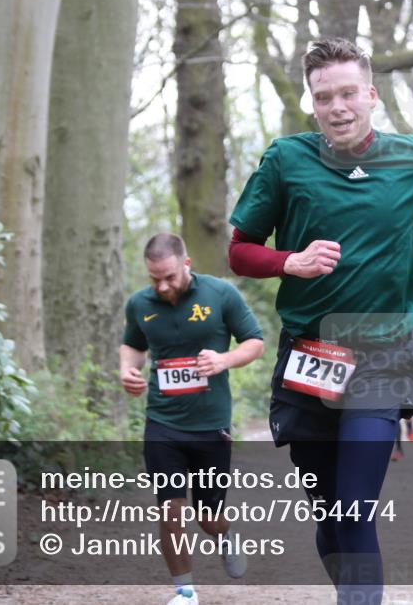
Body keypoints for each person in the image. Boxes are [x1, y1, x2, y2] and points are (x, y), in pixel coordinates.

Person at [228, 38, 413, 605]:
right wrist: (291, 261)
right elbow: (240, 250)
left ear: (371, 96)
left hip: (384, 351)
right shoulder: (286, 160)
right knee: (331, 518)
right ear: (312, 103)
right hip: (309, 355)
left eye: (347, 93)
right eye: (323, 96)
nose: (337, 107)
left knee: (355, 509)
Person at [120, 233, 265, 605]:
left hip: (211, 424)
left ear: (187, 264)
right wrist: (128, 370)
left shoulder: (221, 295)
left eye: (169, 276)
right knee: (170, 508)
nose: (162, 286)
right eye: (155, 279)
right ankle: (184, 591)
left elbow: (254, 341)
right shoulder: (139, 303)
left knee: (208, 517)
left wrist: (223, 360)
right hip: (163, 421)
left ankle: (225, 534)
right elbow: (133, 345)